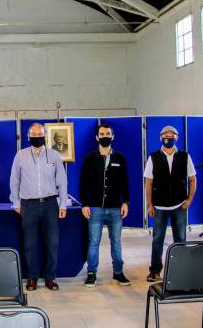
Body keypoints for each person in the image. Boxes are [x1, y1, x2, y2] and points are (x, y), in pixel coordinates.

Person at [10, 123, 68, 291]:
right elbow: (14, 180)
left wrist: (63, 204)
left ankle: (50, 278)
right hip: (28, 206)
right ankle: (32, 278)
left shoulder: (54, 155)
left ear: (45, 136)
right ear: (28, 137)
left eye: (39, 134)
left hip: (50, 204)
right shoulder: (20, 156)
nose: (37, 136)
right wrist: (16, 202)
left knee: (52, 243)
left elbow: (62, 182)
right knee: (30, 244)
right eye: (33, 134)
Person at [79, 123, 130, 288]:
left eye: (108, 133)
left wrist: (126, 202)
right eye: (102, 134)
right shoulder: (89, 159)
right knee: (93, 241)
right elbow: (83, 183)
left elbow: (125, 182)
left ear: (112, 136)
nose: (105, 136)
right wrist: (84, 204)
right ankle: (92, 273)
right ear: (97, 137)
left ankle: (118, 272)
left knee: (116, 241)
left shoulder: (120, 158)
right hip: (95, 208)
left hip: (116, 208)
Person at [144, 126, 197, 282]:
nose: (169, 137)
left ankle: (180, 270)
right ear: (160, 138)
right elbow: (148, 182)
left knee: (180, 239)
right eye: (165, 135)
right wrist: (150, 204)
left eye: (172, 135)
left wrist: (189, 199)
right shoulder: (153, 157)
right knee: (157, 239)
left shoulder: (185, 157)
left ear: (177, 138)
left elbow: (193, 179)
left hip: (179, 205)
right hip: (159, 206)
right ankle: (154, 270)